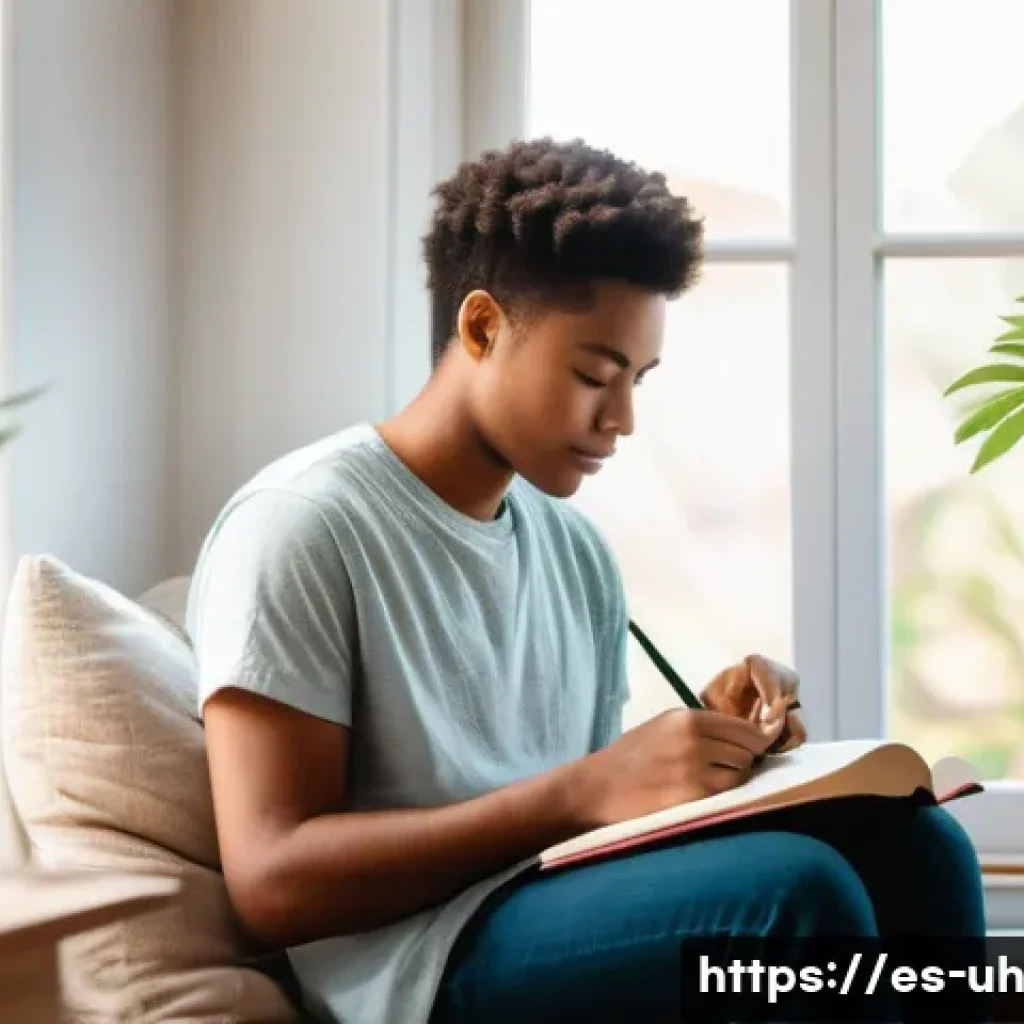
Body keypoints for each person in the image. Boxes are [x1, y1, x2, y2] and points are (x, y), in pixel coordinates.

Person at [186, 138, 987, 1024]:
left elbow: (579, 816)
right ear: (482, 327)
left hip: (548, 904)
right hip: (416, 964)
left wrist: (706, 754)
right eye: (593, 375)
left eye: (638, 380)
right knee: (794, 900)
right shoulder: (302, 524)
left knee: (923, 849)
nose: (624, 419)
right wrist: (585, 789)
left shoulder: (573, 552)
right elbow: (271, 880)